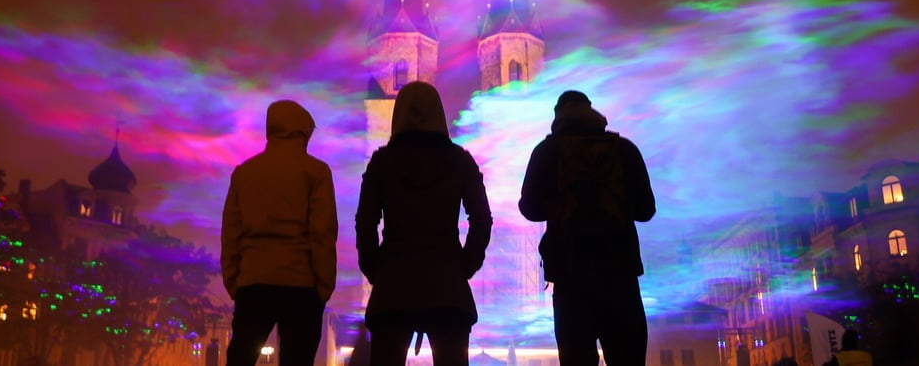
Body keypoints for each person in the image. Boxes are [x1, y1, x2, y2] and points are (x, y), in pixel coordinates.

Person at [356, 81, 493, 366]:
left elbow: (365, 223)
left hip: (393, 287)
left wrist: (375, 269)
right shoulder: (460, 161)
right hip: (448, 286)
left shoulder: (381, 163)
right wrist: (465, 265)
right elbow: (481, 219)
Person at [519, 90, 656, 366]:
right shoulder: (624, 149)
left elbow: (529, 208)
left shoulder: (546, 151)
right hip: (621, 276)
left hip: (570, 278)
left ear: (558, 116)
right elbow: (646, 210)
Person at [221, 100, 339, 366]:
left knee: (240, 358)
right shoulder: (316, 172)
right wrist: (324, 286)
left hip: (253, 282)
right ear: (304, 130)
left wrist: (234, 283)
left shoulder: (244, 173)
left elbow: (231, 234)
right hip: (301, 285)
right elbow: (322, 233)